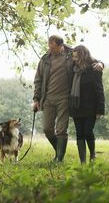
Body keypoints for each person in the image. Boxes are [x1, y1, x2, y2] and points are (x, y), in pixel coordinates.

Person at [32, 35, 103, 163]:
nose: (50, 50)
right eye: (49, 47)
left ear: (61, 46)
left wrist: (100, 63)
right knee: (47, 129)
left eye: (53, 48)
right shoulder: (45, 59)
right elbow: (38, 80)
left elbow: (88, 59)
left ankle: (59, 158)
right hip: (48, 98)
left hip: (65, 98)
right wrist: (36, 99)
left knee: (61, 130)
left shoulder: (71, 54)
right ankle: (58, 151)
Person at [69, 45, 105, 164]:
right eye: (73, 57)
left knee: (88, 132)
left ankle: (92, 154)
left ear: (82, 56)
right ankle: (83, 161)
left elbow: (100, 89)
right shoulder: (74, 69)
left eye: (76, 57)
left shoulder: (94, 68)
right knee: (79, 134)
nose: (73, 59)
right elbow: (62, 45)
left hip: (90, 107)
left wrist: (100, 109)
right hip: (76, 106)